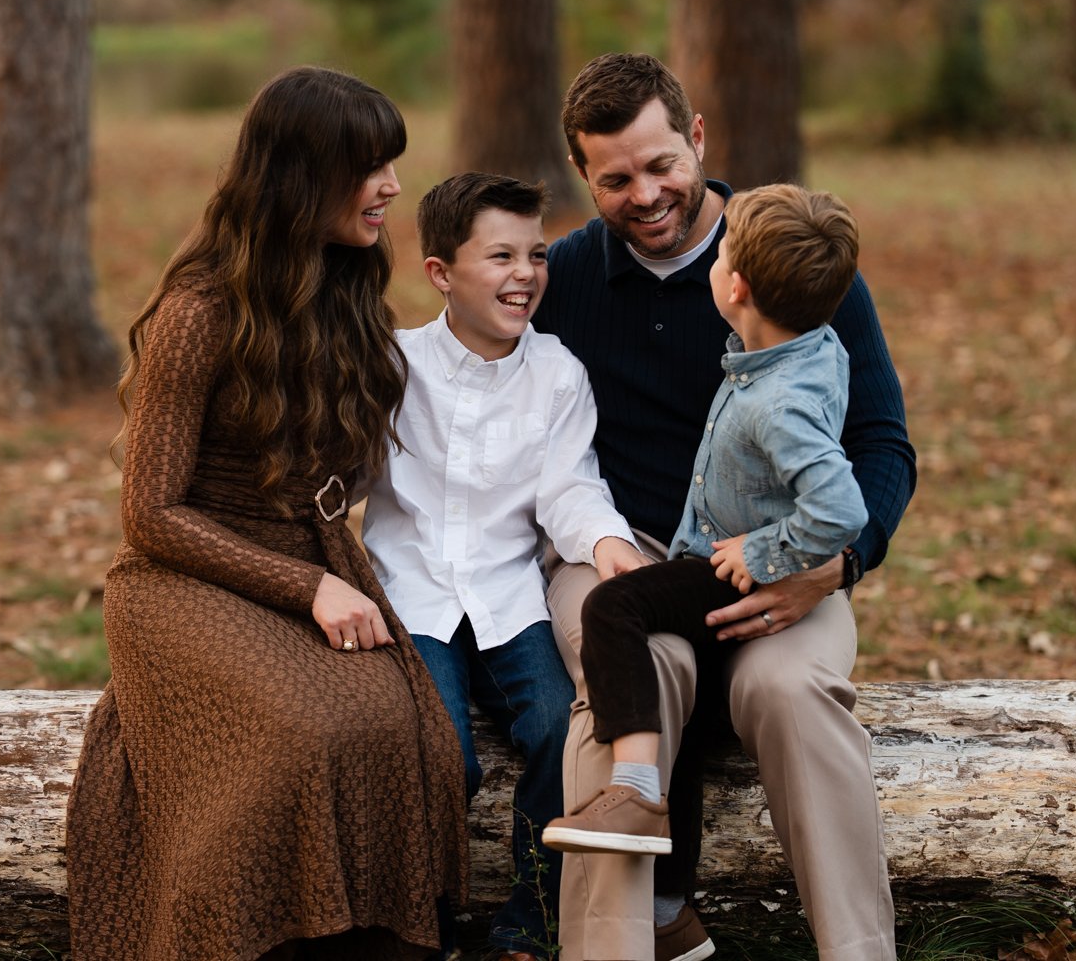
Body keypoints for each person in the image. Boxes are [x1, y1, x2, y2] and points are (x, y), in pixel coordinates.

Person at [65, 66, 467, 961]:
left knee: (406, 733)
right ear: (301, 176)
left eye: (391, 166)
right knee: (298, 737)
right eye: (370, 168)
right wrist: (311, 584)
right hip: (182, 574)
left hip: (314, 557)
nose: (392, 187)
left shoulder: (346, 287)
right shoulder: (198, 310)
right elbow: (150, 514)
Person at [533, 53, 917, 961]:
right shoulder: (567, 281)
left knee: (793, 689)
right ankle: (624, 944)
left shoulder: (790, 262)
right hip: (622, 543)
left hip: (779, 552)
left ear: (696, 136)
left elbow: (882, 444)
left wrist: (837, 562)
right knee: (623, 661)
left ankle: (859, 952)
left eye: (662, 164)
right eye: (616, 178)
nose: (648, 194)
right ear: (585, 176)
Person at [361, 172, 649, 961]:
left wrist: (607, 544)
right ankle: (427, 920)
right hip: (414, 598)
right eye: (500, 256)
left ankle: (531, 917)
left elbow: (570, 486)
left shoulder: (557, 374)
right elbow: (344, 471)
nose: (525, 273)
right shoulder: (393, 366)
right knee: (439, 747)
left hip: (506, 593)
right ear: (441, 275)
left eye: (537, 254)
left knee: (559, 728)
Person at [543, 184, 868, 869]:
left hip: (727, 568)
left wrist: (767, 552)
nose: (711, 262)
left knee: (613, 608)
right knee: (674, 703)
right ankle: (668, 908)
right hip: (719, 557)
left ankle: (632, 790)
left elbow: (841, 508)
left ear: (738, 286)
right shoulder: (813, 349)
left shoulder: (776, 401)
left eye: (720, 256)